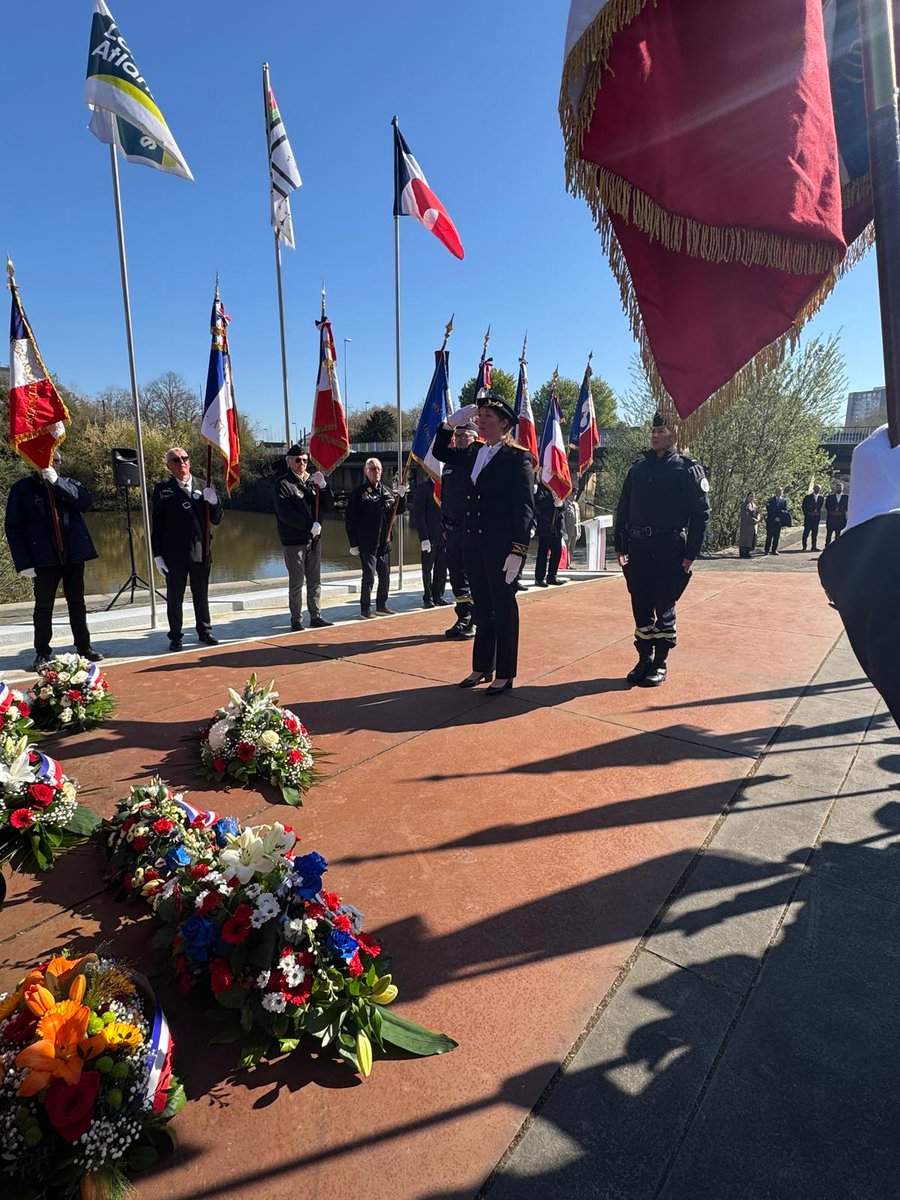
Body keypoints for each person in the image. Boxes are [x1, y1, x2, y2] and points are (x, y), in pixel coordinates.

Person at [433, 395, 535, 695]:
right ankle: (482, 666)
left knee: (503, 607)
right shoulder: (473, 452)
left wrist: (518, 550)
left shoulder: (518, 457)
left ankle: (505, 672)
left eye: (488, 416)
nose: (480, 420)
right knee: (482, 607)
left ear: (504, 423)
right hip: (474, 542)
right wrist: (449, 424)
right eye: (479, 416)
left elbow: (525, 508)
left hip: (502, 547)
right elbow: (440, 451)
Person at [614, 411, 710, 686]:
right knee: (640, 603)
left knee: (664, 604)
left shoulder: (687, 468)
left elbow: (701, 514)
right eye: (653, 432)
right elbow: (624, 508)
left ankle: (660, 661)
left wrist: (691, 554)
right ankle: (644, 658)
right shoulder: (638, 468)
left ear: (675, 435)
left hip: (670, 545)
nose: (655, 436)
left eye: (661, 431)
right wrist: (620, 544)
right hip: (638, 545)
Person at [4, 449, 104, 671]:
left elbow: (85, 502)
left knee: (77, 603)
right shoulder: (22, 489)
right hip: (43, 558)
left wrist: (57, 482)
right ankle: (42, 652)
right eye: (48, 461)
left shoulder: (69, 483)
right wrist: (24, 563)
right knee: (43, 606)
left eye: (56, 461)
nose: (52, 464)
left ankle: (84, 646)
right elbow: (13, 527)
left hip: (73, 555)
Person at [151, 447, 224, 651]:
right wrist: (157, 555)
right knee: (175, 597)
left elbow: (217, 519)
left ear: (189, 462)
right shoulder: (162, 489)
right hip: (173, 553)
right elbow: (157, 524)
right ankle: (175, 636)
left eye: (184, 458)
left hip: (201, 549)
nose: (181, 462)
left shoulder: (204, 484)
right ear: (169, 466)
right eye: (175, 460)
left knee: (201, 593)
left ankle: (205, 630)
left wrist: (215, 501)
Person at [274, 445, 334, 630]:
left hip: (314, 541)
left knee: (315, 581)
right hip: (294, 541)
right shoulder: (283, 484)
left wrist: (324, 487)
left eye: (305, 460)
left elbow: (329, 505)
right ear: (289, 461)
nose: (302, 464)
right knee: (297, 583)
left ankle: (315, 616)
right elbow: (286, 515)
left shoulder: (313, 481)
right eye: (298, 460)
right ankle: (296, 619)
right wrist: (309, 526)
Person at [345, 458, 407, 619]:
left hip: (384, 542)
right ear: (366, 471)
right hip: (367, 543)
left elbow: (398, 510)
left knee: (385, 575)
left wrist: (402, 496)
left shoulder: (386, 491)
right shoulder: (359, 493)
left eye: (378, 469)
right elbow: (350, 519)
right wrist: (353, 543)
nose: (376, 472)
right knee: (369, 576)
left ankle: (382, 605)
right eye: (372, 469)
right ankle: (365, 608)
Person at [441, 417, 478, 639]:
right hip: (451, 529)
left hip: (471, 529)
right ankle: (463, 616)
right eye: (457, 435)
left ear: (475, 438)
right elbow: (444, 497)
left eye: (465, 435)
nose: (460, 439)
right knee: (456, 577)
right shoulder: (450, 463)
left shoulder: (477, 461)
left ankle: (474, 619)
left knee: (472, 575)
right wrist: (442, 523)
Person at [412, 476, 449, 608]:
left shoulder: (444, 488)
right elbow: (418, 514)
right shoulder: (424, 488)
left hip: (443, 536)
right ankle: (428, 597)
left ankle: (438, 595)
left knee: (441, 568)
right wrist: (424, 537)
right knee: (427, 569)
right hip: (429, 536)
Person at [534, 481, 566, 586]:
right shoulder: (541, 488)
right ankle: (539, 578)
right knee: (543, 553)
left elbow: (564, 505)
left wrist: (561, 504)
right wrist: (551, 497)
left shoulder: (558, 487)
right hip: (546, 525)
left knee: (557, 552)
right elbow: (538, 503)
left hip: (557, 525)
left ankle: (552, 576)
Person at [764, 488, 789, 555]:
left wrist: (780, 518)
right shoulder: (771, 500)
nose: (779, 493)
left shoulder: (783, 501)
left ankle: (774, 550)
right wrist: (774, 517)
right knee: (769, 536)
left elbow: (785, 510)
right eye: (778, 491)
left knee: (776, 536)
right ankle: (767, 550)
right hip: (771, 521)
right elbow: (769, 510)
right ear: (775, 492)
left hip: (778, 522)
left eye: (781, 491)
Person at [824, 480, 848, 545]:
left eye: (840, 487)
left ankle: (836, 546)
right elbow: (827, 506)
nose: (839, 488)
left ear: (842, 488)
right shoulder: (830, 497)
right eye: (837, 487)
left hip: (840, 517)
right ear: (835, 488)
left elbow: (847, 506)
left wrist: (841, 511)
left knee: (838, 533)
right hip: (831, 517)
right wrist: (832, 511)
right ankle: (827, 545)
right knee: (829, 532)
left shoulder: (846, 497)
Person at [801, 482, 824, 550]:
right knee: (806, 532)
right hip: (809, 517)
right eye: (816, 488)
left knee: (815, 533)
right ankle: (804, 546)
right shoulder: (808, 497)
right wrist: (807, 514)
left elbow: (820, 507)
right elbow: (804, 507)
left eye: (819, 488)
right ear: (813, 489)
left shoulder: (821, 498)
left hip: (816, 518)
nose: (817, 489)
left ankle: (814, 546)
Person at [738, 491, 759, 558]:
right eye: (750, 496)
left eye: (753, 496)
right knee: (744, 540)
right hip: (746, 525)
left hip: (753, 526)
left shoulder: (754, 505)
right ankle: (743, 553)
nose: (751, 498)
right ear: (747, 497)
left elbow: (758, 513)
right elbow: (745, 515)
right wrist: (753, 520)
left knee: (750, 540)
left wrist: (758, 518)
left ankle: (747, 552)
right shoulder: (744, 505)